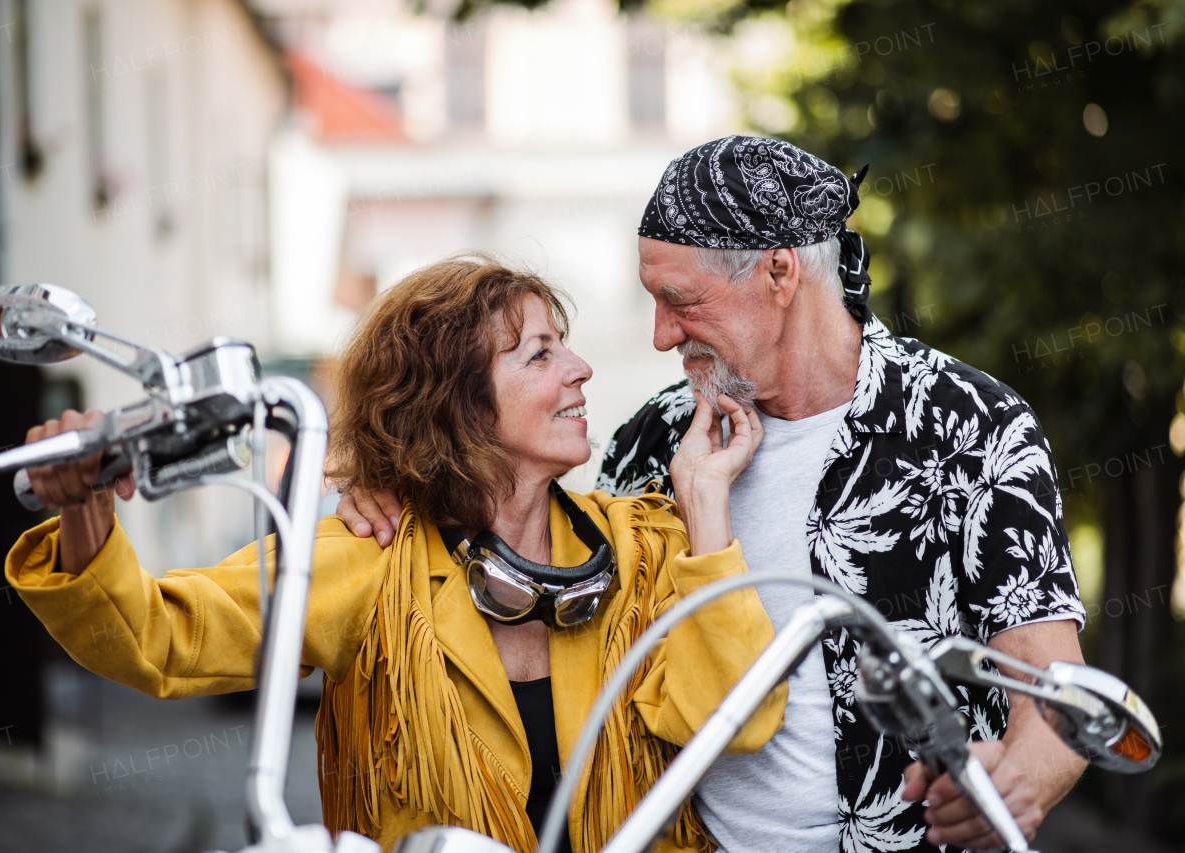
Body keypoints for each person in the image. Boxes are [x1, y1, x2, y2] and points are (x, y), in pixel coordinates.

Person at [338, 138, 1089, 853]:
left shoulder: (970, 426)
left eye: (680, 300)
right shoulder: (652, 440)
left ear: (779, 273)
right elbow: (505, 514)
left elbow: (1057, 694)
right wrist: (394, 480)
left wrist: (1019, 780)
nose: (662, 335)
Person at [4, 255, 786, 853]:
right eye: (540, 355)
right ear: (457, 402)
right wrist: (84, 506)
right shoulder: (368, 553)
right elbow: (158, 635)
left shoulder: (644, 545)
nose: (580, 370)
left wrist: (707, 497)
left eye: (566, 348)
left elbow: (737, 719)